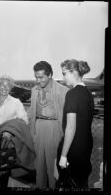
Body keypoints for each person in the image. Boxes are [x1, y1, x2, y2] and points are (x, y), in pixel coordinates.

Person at [0, 75, 28, 187]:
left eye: (8, 86)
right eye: (2, 85)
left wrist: (11, 132)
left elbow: (24, 120)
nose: (4, 88)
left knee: (5, 166)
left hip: (7, 137)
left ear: (11, 87)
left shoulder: (16, 102)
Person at [28, 61, 68, 189]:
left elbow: (67, 117)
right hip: (38, 127)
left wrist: (55, 115)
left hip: (54, 128)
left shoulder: (63, 91)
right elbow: (31, 111)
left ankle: (53, 186)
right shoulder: (34, 90)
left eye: (41, 77)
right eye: (36, 77)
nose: (38, 80)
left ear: (50, 74)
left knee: (53, 165)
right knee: (39, 165)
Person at [57, 59, 94, 189]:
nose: (63, 78)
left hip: (74, 148)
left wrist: (63, 155)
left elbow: (71, 127)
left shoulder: (72, 94)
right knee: (81, 182)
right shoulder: (88, 94)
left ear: (73, 73)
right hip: (86, 146)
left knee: (70, 183)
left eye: (64, 73)